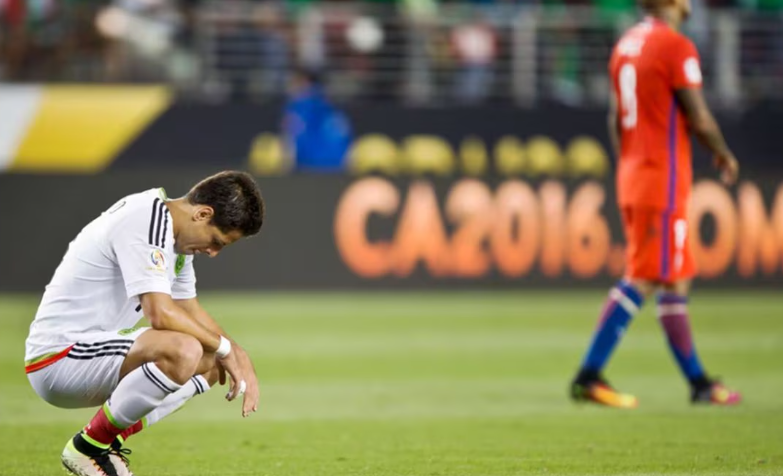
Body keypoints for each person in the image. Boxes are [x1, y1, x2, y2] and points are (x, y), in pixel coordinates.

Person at [24, 171, 265, 475]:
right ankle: (89, 448)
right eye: (216, 241)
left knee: (212, 360)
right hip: (59, 357)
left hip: (89, 357)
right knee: (184, 348)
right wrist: (226, 347)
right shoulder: (147, 219)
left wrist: (237, 353)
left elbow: (187, 309)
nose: (213, 253)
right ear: (203, 214)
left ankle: (103, 444)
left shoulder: (172, 239)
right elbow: (160, 314)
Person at [569, 0, 742, 408]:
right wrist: (723, 153)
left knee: (675, 277)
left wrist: (629, 161)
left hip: (636, 171)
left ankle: (699, 384)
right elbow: (698, 116)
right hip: (660, 178)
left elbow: (615, 118)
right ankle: (588, 376)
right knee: (645, 275)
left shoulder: (626, 43)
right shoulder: (675, 46)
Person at [282, 67, 353, 172]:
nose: (289, 87)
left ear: (304, 82)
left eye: (293, 82)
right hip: (337, 171)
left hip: (305, 170)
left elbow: (290, 143)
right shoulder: (333, 107)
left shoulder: (296, 109)